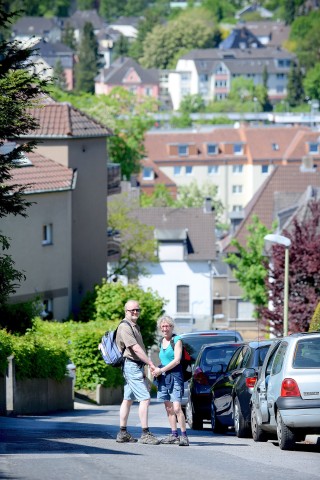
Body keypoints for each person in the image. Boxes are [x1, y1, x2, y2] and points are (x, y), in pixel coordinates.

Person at [115, 299, 160, 445]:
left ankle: (122, 433)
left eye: (137, 310)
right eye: (132, 310)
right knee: (145, 398)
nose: (135, 312)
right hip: (131, 366)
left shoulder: (135, 326)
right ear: (125, 311)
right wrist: (150, 363)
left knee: (128, 399)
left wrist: (145, 367)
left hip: (134, 366)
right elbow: (135, 348)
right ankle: (145, 433)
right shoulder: (125, 327)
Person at [153, 315, 189, 446]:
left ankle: (184, 436)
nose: (165, 328)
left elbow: (177, 360)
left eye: (167, 326)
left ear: (172, 327)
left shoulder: (177, 340)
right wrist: (157, 370)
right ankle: (174, 435)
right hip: (163, 378)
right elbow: (163, 361)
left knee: (177, 407)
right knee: (169, 409)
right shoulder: (161, 341)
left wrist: (161, 370)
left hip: (175, 377)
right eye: (162, 326)